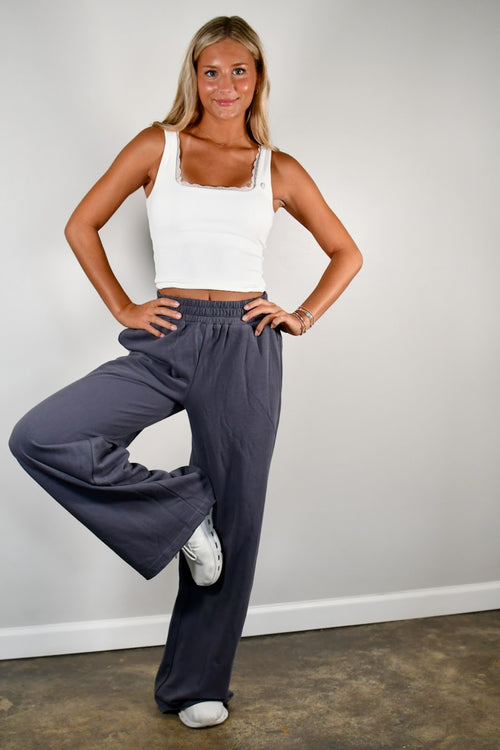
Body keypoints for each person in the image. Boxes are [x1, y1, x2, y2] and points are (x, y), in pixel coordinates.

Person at [9, 15, 362, 730]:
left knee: (239, 514)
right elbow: (81, 224)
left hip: (246, 342)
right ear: (193, 78)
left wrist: (302, 315)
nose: (225, 85)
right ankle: (181, 513)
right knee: (42, 436)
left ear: (258, 78)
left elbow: (346, 252)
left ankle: (197, 686)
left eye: (240, 71)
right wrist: (123, 305)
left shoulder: (278, 168)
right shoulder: (157, 145)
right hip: (169, 334)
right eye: (212, 71)